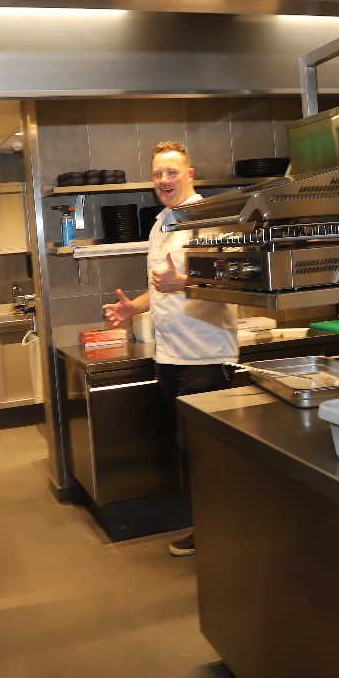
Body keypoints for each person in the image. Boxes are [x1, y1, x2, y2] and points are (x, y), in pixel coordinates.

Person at [102, 142, 238, 556]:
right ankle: (211, 528)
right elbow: (162, 287)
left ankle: (222, 535)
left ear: (190, 175)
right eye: (158, 173)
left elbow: (237, 274)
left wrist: (186, 283)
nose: (164, 180)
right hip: (170, 357)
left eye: (172, 172)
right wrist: (134, 307)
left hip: (206, 357)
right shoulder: (161, 224)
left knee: (209, 455)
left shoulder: (213, 218)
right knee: (190, 449)